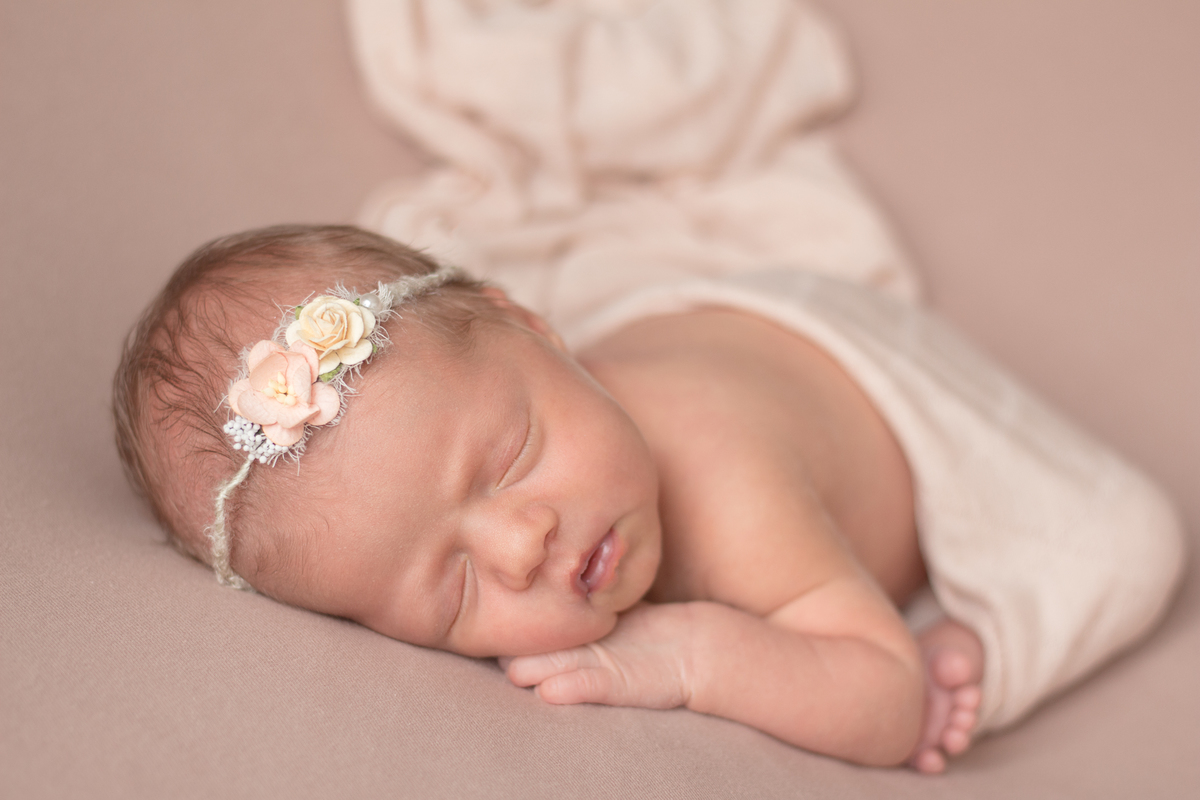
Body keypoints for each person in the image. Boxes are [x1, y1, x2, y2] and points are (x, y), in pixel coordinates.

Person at [113, 224, 1185, 774]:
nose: (522, 546)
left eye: (509, 458)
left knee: (1132, 544)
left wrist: (695, 658)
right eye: (453, 588)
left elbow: (886, 702)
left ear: (535, 325)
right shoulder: (521, 419)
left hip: (883, 399)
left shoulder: (733, 496)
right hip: (723, 349)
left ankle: (978, 632)